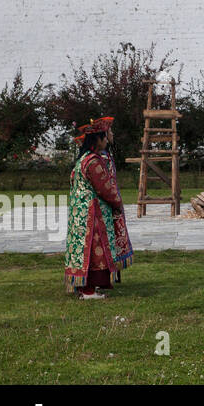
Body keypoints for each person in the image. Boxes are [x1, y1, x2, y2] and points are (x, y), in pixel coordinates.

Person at [64, 117, 132, 299]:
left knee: (86, 250)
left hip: (83, 212)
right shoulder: (93, 162)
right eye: (108, 133)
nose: (111, 135)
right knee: (94, 251)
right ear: (99, 139)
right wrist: (117, 203)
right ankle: (88, 290)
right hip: (92, 214)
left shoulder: (84, 159)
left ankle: (85, 287)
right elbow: (105, 188)